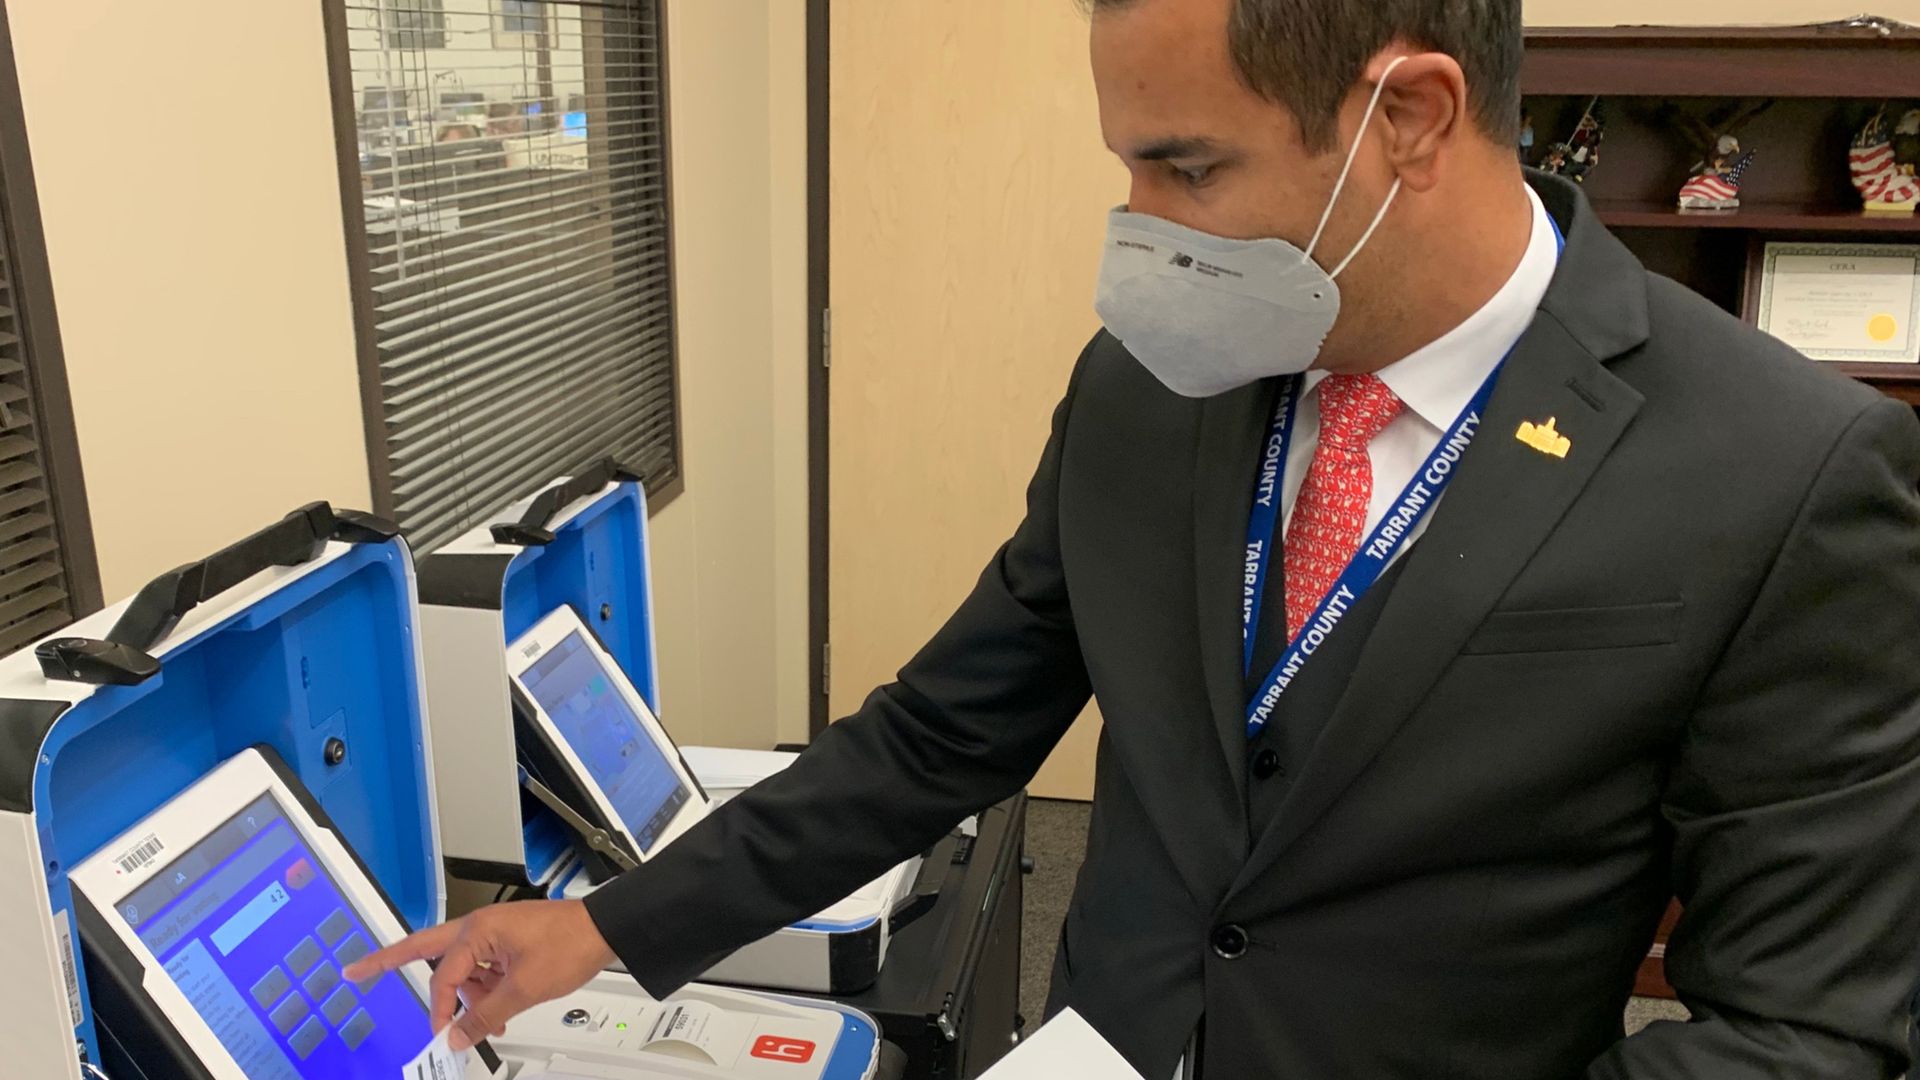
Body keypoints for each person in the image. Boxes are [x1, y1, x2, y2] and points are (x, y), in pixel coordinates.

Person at [346, 0, 1920, 1075]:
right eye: (1130, 165)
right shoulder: (1155, 378)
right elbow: (940, 732)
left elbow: (1808, 1032)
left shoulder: (1785, 473)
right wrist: (608, 923)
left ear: (1410, 120)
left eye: (1185, 166)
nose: (1141, 228)